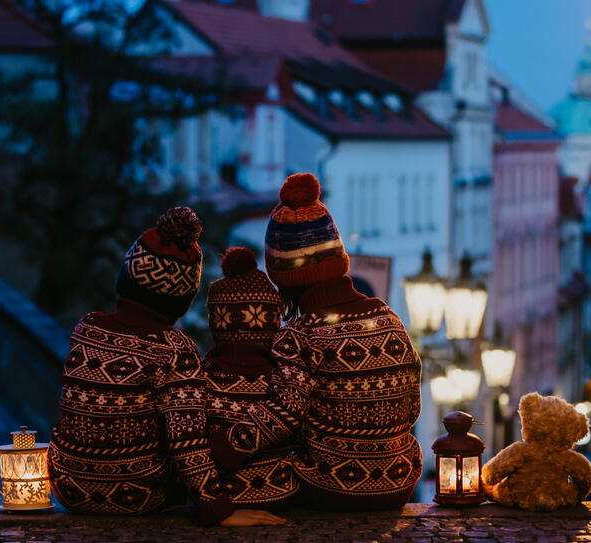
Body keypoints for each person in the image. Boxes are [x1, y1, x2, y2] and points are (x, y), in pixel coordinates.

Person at [46, 207, 283, 526]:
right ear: (182, 298)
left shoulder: (87, 329)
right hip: (135, 496)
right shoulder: (174, 349)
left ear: (127, 276)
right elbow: (188, 442)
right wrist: (218, 510)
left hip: (66, 487)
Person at [210, 173, 423, 511]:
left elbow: (284, 414)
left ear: (285, 278)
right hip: (400, 481)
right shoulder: (388, 318)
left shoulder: (300, 335)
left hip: (333, 487)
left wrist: (223, 447)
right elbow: (413, 405)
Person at [201, 247, 296, 512]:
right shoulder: (287, 376)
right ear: (272, 321)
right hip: (281, 500)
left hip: (220, 502)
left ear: (216, 322)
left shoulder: (199, 379)